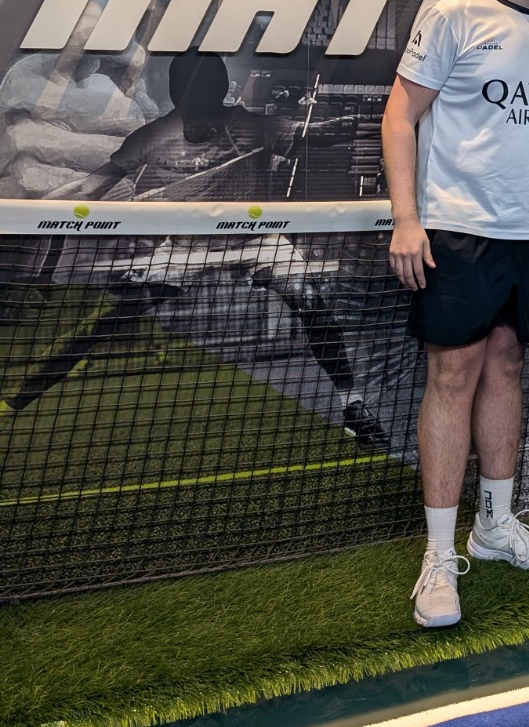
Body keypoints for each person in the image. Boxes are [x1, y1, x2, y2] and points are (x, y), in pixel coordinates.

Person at [0, 51, 392, 453]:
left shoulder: (254, 127)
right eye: (193, 101)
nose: (200, 112)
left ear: (221, 93)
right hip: (186, 248)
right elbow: (89, 188)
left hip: (256, 240)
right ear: (177, 98)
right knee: (108, 320)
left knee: (309, 299)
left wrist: (378, 121)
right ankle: (16, 399)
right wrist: (29, 214)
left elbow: (321, 133)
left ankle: (352, 406)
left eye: (208, 99)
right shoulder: (149, 138)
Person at [382, 0, 529, 629]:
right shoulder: (454, 15)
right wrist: (408, 220)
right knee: (452, 374)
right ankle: (438, 556)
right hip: (458, 230)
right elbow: (400, 114)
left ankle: (494, 526)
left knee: (507, 367)